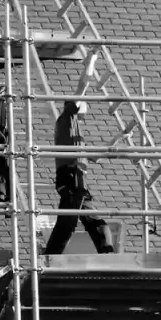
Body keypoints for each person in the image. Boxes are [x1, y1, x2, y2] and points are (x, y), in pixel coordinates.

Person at [44, 49, 115, 255]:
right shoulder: (68, 117)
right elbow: (83, 84)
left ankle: (108, 255)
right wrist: (91, 60)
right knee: (68, 223)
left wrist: (119, 140)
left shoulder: (75, 133)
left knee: (95, 222)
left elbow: (95, 156)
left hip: (77, 179)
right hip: (71, 175)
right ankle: (50, 257)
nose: (86, 104)